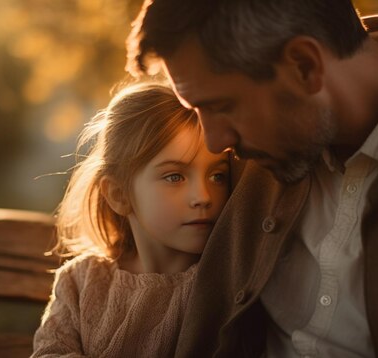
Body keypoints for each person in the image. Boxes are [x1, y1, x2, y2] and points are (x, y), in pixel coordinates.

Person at [125, 0, 378, 357]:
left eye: (221, 107)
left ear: (305, 65)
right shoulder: (262, 137)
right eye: (196, 110)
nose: (215, 143)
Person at [31, 82, 231, 357]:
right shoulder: (80, 283)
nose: (203, 196)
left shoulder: (224, 287)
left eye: (217, 175)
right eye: (175, 176)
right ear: (119, 194)